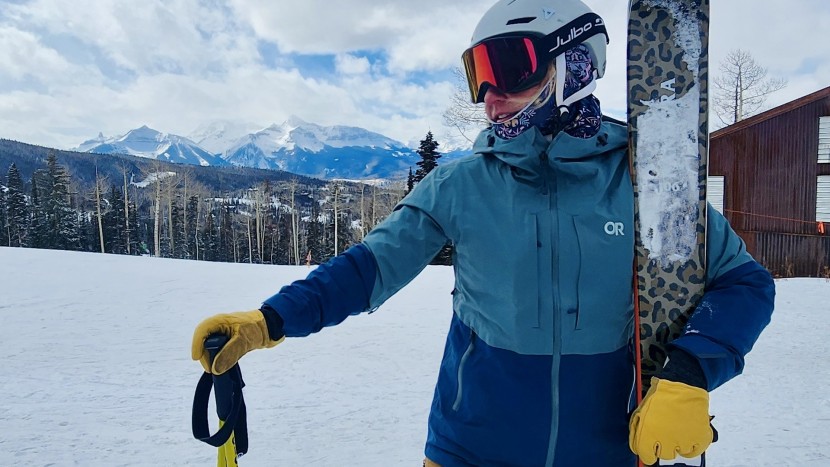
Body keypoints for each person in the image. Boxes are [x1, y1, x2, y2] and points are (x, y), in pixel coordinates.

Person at [191, 0, 775, 465]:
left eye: (509, 70)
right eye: (480, 78)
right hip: (470, 448)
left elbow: (744, 284)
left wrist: (691, 371)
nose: (490, 99)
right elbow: (369, 268)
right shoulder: (461, 185)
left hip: (611, 449)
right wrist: (269, 320)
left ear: (574, 65)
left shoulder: (647, 183)